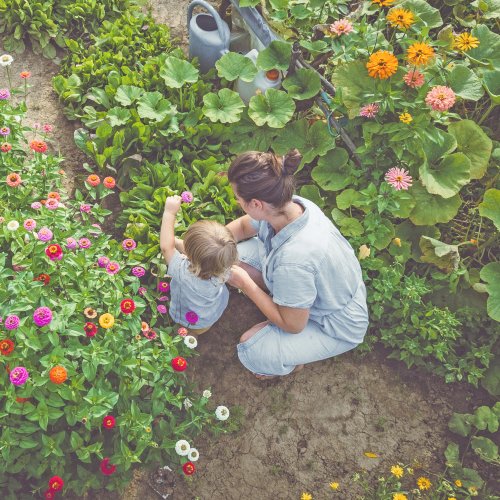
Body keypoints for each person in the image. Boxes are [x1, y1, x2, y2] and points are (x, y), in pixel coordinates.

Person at [226, 149, 369, 380]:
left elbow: (292, 325)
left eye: (239, 200)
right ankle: (285, 307)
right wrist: (213, 242)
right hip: (320, 288)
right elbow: (243, 227)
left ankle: (292, 363)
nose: (237, 202)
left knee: (253, 350)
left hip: (335, 325)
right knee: (231, 256)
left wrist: (245, 284)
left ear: (256, 203)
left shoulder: (294, 260)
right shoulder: (290, 206)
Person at [160, 195, 239, 335]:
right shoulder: (224, 266)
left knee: (186, 332)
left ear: (191, 257)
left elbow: (166, 247)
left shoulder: (183, 272)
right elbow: (204, 258)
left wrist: (169, 212)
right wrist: (178, 244)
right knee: (196, 332)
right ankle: (194, 337)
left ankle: (188, 341)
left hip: (187, 317)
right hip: (209, 316)